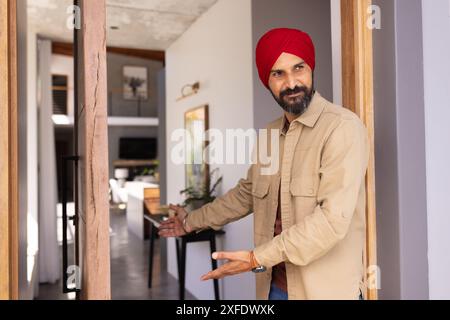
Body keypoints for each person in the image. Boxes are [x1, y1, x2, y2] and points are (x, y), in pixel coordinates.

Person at [159, 28, 369, 300]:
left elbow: (331, 220)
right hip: (274, 288)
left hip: (326, 292)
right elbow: (248, 193)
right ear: (266, 80)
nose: (292, 82)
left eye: (299, 68)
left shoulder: (342, 127)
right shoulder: (270, 134)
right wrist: (190, 222)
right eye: (278, 73)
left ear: (311, 68)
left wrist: (255, 258)